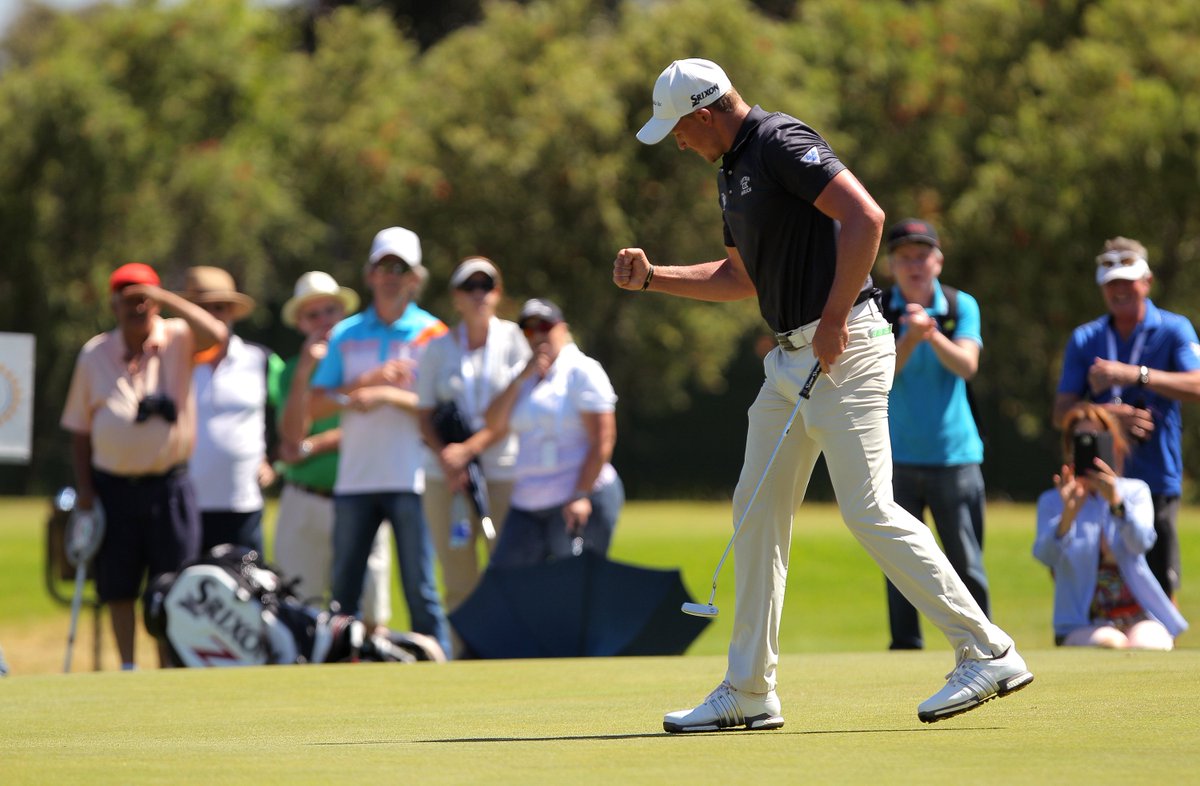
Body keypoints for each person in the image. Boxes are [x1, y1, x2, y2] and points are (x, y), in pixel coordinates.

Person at [614, 58, 1031, 731]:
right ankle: (749, 689)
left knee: (867, 509)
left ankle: (988, 650)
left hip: (845, 347)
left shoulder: (778, 141)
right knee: (753, 512)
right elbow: (739, 278)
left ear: (704, 112)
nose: (679, 144)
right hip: (789, 361)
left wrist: (835, 318)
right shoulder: (730, 168)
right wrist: (653, 277)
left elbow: (865, 217)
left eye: (679, 131)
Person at [60, 262, 227, 669]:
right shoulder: (95, 353)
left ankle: (169, 665)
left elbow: (218, 335)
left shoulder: (178, 337)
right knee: (118, 586)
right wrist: (84, 489)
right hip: (113, 487)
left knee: (172, 584)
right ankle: (128, 667)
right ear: (114, 305)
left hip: (169, 486)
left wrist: (167, 299)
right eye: (129, 300)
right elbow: (80, 429)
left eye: (144, 300)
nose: (138, 308)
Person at [309, 226, 452, 658]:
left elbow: (447, 411)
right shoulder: (346, 333)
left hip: (413, 476)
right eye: (383, 266)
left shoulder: (433, 334)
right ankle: (338, 672)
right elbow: (316, 405)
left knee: (421, 589)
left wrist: (390, 395)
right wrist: (366, 383)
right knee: (344, 595)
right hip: (356, 479)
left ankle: (442, 671)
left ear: (415, 277)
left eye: (400, 267)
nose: (391, 275)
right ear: (369, 274)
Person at [1053, 236, 1200, 603]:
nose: (1119, 291)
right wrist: (1107, 417)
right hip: (1099, 477)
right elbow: (1060, 413)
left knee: (1160, 583)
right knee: (1100, 582)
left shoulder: (1174, 329)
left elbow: (1197, 384)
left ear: (1146, 281)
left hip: (1156, 472)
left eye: (1127, 281)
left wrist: (1135, 374)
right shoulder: (1086, 337)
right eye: (1110, 283)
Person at [879, 219, 990, 650]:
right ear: (891, 264)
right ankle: (905, 647)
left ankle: (985, 647)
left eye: (922, 255)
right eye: (904, 257)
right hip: (896, 456)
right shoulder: (879, 308)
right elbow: (883, 373)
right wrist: (910, 336)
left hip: (955, 456)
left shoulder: (962, 306)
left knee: (966, 562)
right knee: (901, 562)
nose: (914, 265)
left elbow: (967, 365)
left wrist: (933, 336)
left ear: (938, 260)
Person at [415, 257, 530, 647]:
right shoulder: (437, 348)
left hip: (502, 471)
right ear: (457, 297)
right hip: (445, 478)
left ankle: (507, 652)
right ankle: (464, 656)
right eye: (470, 287)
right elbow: (424, 414)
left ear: (498, 293)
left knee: (507, 572)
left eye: (487, 286)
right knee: (458, 577)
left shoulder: (516, 340)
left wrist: (467, 450)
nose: (479, 294)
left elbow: (514, 410)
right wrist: (451, 459)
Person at [271, 271, 392, 628]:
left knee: (370, 613)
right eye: (313, 315)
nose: (324, 321)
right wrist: (306, 370)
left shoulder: (366, 360)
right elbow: (292, 437)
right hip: (304, 501)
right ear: (299, 323)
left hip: (362, 496)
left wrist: (312, 447)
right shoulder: (290, 370)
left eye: (331, 311)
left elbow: (369, 431)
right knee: (298, 610)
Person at [483, 298, 623, 568]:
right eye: (528, 330)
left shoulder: (582, 371)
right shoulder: (522, 375)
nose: (537, 335)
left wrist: (581, 494)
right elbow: (493, 422)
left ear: (562, 328)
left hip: (576, 499)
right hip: (527, 502)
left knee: (574, 590)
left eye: (544, 326)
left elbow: (603, 439)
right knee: (508, 581)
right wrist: (521, 377)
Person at [1034, 403, 1187, 649]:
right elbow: (1045, 556)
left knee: (1150, 645)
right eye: (1080, 440)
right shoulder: (1053, 501)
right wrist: (1068, 514)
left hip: (1138, 613)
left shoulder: (1134, 491)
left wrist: (1116, 502)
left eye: (1097, 439)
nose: (1088, 446)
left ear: (1113, 445)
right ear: (1069, 448)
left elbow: (1141, 542)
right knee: (1109, 642)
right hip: (1083, 622)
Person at [181, 266, 283, 554]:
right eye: (202, 308)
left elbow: (295, 410)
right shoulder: (173, 361)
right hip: (186, 504)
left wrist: (275, 462)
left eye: (220, 307)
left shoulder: (260, 359)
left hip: (243, 503)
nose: (211, 316)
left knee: (247, 593)